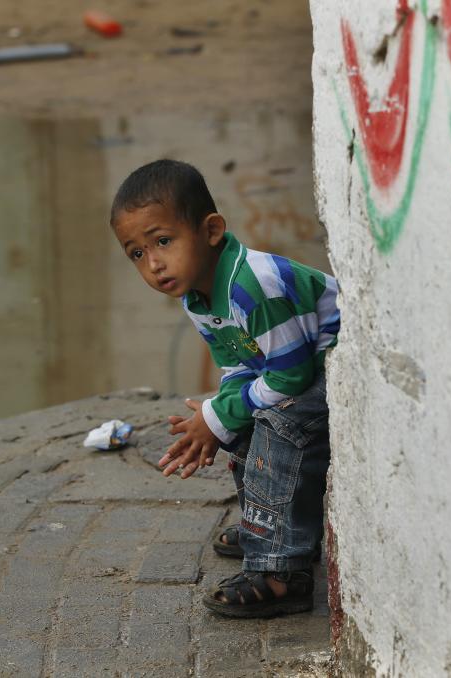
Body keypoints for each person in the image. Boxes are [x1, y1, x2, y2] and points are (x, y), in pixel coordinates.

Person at [110, 159, 339, 618]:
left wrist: (217, 418)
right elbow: (240, 365)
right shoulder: (197, 295)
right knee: (239, 419)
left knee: (277, 424)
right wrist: (218, 416)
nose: (153, 264)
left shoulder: (253, 286)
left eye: (162, 241)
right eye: (136, 253)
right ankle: (268, 526)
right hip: (294, 371)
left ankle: (281, 570)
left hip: (332, 370)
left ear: (211, 230)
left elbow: (292, 377)